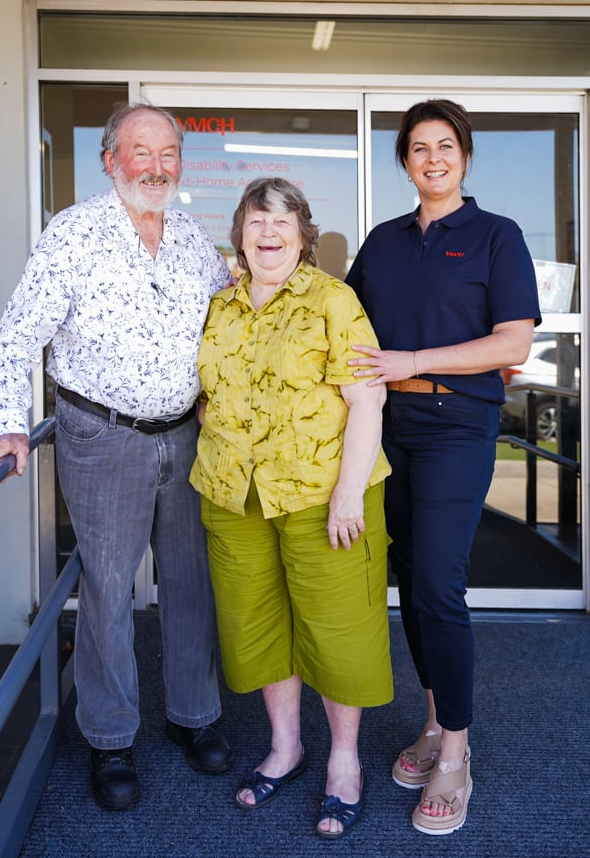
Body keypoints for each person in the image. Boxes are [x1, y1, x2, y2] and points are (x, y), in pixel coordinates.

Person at [0, 101, 234, 812]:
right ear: (110, 160)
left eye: (167, 153)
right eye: (139, 152)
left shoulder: (189, 237)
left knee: (190, 583)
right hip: (101, 436)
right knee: (108, 590)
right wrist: (7, 422)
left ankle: (193, 718)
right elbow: (17, 338)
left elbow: (235, 322)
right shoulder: (73, 233)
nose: (155, 166)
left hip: (186, 436)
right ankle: (111, 738)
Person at [345, 99, 540, 836]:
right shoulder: (384, 241)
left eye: (445, 146)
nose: (432, 158)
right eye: (418, 148)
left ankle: (455, 751)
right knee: (407, 578)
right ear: (403, 161)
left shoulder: (496, 235)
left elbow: (511, 344)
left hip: (457, 424)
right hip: (384, 424)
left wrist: (417, 361)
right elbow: (342, 319)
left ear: (463, 156)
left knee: (436, 582)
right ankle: (431, 721)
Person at [189, 177, 393, 840]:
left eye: (282, 222)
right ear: (239, 234)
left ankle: (342, 762)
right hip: (233, 496)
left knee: (337, 629)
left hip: (321, 495)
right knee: (260, 626)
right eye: (256, 221)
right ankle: (285, 747)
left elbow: (367, 401)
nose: (268, 233)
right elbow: (206, 396)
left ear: (303, 236)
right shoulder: (219, 306)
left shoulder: (334, 300)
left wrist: (345, 493)